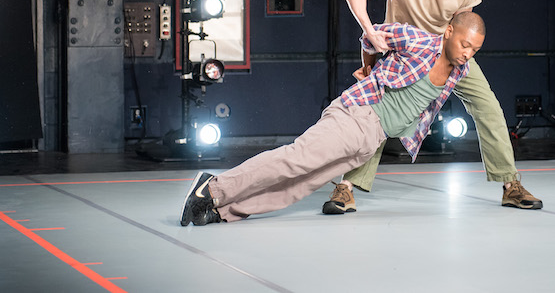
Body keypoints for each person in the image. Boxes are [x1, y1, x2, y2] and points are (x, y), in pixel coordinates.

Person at [180, 11, 485, 226]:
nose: (467, 53)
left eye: (474, 49)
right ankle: (212, 189)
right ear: (448, 32)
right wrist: (369, 68)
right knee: (295, 159)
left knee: (301, 184)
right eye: (464, 44)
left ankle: (223, 210)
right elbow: (372, 36)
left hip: (372, 140)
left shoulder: (461, 71)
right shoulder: (419, 41)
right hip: (357, 116)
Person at [323, 0, 541, 215]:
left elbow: (461, 30)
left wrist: (456, 56)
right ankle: (346, 188)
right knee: (382, 112)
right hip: (407, 53)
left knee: (488, 106)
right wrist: (371, 31)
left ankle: (510, 185)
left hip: (445, 53)